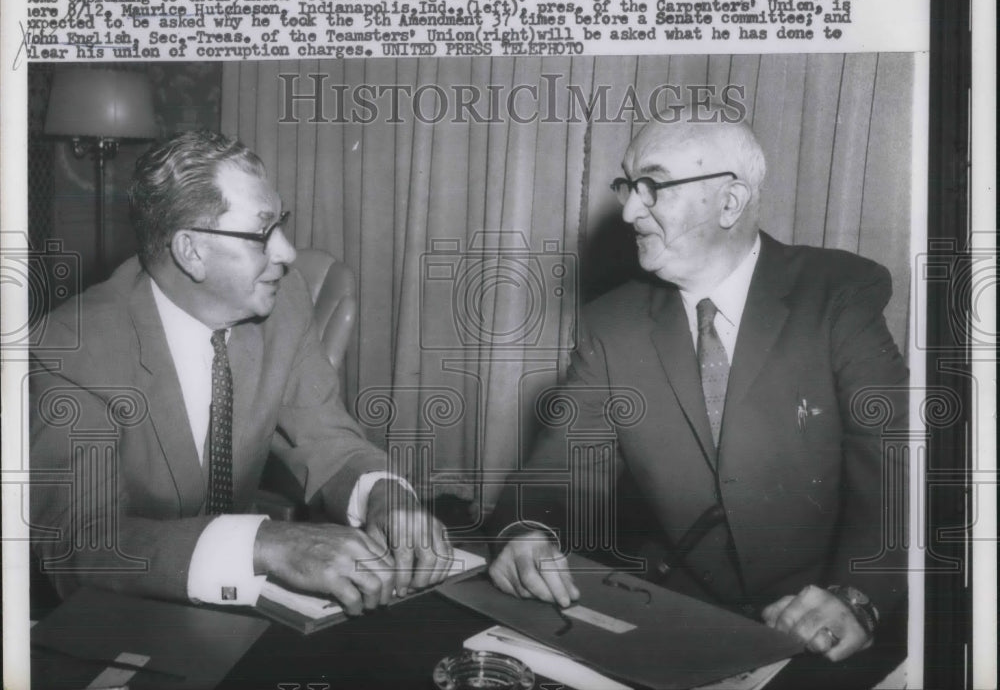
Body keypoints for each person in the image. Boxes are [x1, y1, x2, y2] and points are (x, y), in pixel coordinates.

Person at [488, 108, 908, 664]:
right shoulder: (612, 323)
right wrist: (527, 531)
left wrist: (858, 595)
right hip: (674, 611)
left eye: (652, 186)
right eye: (628, 186)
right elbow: (561, 469)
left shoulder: (835, 294)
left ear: (730, 202)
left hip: (820, 613)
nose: (630, 209)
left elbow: (901, 468)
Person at [30, 130, 452, 614]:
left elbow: (327, 440)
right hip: (116, 621)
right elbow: (80, 545)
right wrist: (265, 543)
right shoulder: (70, 348)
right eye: (261, 232)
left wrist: (385, 495)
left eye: (282, 224)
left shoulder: (284, 305)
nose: (289, 253)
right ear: (190, 251)